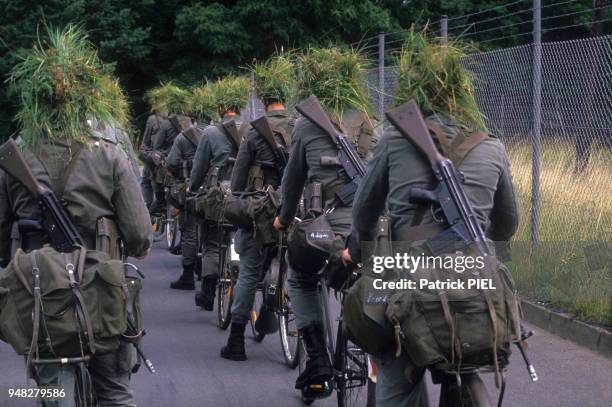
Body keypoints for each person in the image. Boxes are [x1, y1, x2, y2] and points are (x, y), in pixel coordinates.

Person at [342, 32, 520, 407]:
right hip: (474, 275)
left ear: (414, 93)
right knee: (467, 345)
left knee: (393, 368)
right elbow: (507, 224)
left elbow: (364, 210)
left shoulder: (394, 140)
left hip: (406, 272)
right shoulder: (493, 146)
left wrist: (358, 249)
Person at [0, 26, 152, 406]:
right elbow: (138, 236)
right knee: (116, 393)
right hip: (103, 290)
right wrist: (139, 245)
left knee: (52, 392)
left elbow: (2, 236)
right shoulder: (110, 153)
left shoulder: (15, 155)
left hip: (40, 290)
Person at [273, 46, 377, 400]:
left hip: (328, 230)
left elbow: (293, 180)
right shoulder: (368, 120)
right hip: (371, 232)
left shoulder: (305, 126)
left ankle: (317, 360)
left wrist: (284, 219)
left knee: (301, 277)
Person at [220, 54, 295, 361]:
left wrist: (234, 199)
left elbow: (238, 175)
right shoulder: (300, 126)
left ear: (264, 100)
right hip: (293, 208)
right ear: (284, 98)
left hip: (260, 208)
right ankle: (272, 307)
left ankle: (236, 339)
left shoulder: (254, 130)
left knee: (249, 270)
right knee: (289, 263)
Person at [191, 76, 250, 311]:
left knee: (212, 242)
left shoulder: (210, 133)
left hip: (218, 195)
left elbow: (198, 168)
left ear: (221, 108)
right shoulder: (253, 129)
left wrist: (193, 189)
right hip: (244, 195)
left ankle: (207, 293)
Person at [165, 118, 203, 290]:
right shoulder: (221, 132)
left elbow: (171, 163)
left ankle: (188, 275)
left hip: (190, 188)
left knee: (188, 230)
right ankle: (207, 272)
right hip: (215, 190)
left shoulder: (183, 137)